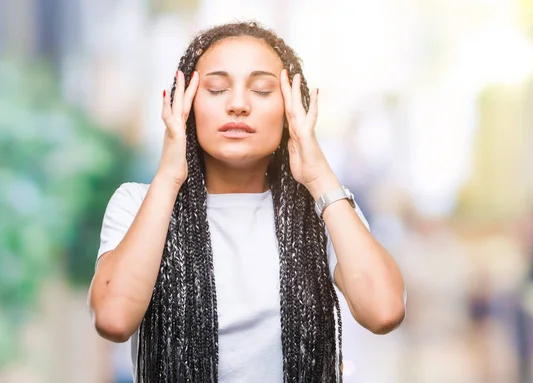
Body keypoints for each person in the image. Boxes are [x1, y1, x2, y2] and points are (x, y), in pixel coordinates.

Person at [88, 21, 406, 383]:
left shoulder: (326, 209)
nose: (238, 105)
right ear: (185, 104)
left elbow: (384, 311)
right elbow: (113, 319)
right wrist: (168, 178)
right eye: (218, 88)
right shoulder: (138, 203)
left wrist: (319, 177)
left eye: (261, 90)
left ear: (291, 110)